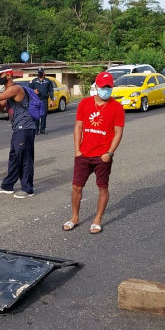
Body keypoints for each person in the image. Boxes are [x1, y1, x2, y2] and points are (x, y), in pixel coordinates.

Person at [62, 71, 125, 234]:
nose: (107, 90)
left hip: (102, 157)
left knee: (102, 188)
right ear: (96, 86)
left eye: (109, 87)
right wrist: (77, 150)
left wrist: (110, 153)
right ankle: (74, 217)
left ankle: (97, 219)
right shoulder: (85, 103)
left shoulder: (117, 107)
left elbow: (118, 132)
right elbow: (78, 127)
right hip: (83, 155)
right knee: (76, 187)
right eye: (104, 87)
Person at [0, 65, 37, 198]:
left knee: (24, 158)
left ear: (8, 75)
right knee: (14, 156)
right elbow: (0, 107)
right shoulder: (8, 90)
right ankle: (8, 186)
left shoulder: (15, 89)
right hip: (18, 128)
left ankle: (28, 189)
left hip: (26, 127)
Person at [28, 68, 54, 134]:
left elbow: (51, 90)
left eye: (41, 72)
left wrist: (52, 99)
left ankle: (42, 129)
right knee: (36, 115)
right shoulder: (34, 81)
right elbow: (28, 90)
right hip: (36, 100)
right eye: (38, 72)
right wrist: (34, 92)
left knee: (43, 114)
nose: (39, 73)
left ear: (44, 73)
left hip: (44, 100)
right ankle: (36, 129)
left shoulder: (48, 81)